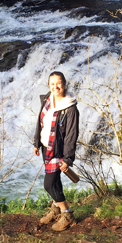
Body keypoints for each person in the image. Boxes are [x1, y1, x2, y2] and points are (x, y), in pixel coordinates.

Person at [33, 71, 79, 231]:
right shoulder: (47, 98)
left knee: (49, 184)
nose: (55, 87)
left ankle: (67, 213)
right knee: (56, 181)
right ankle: (56, 209)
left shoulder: (70, 108)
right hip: (46, 146)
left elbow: (71, 135)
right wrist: (36, 143)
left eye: (58, 83)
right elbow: (40, 122)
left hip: (58, 151)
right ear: (48, 86)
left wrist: (67, 159)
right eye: (52, 84)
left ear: (64, 84)